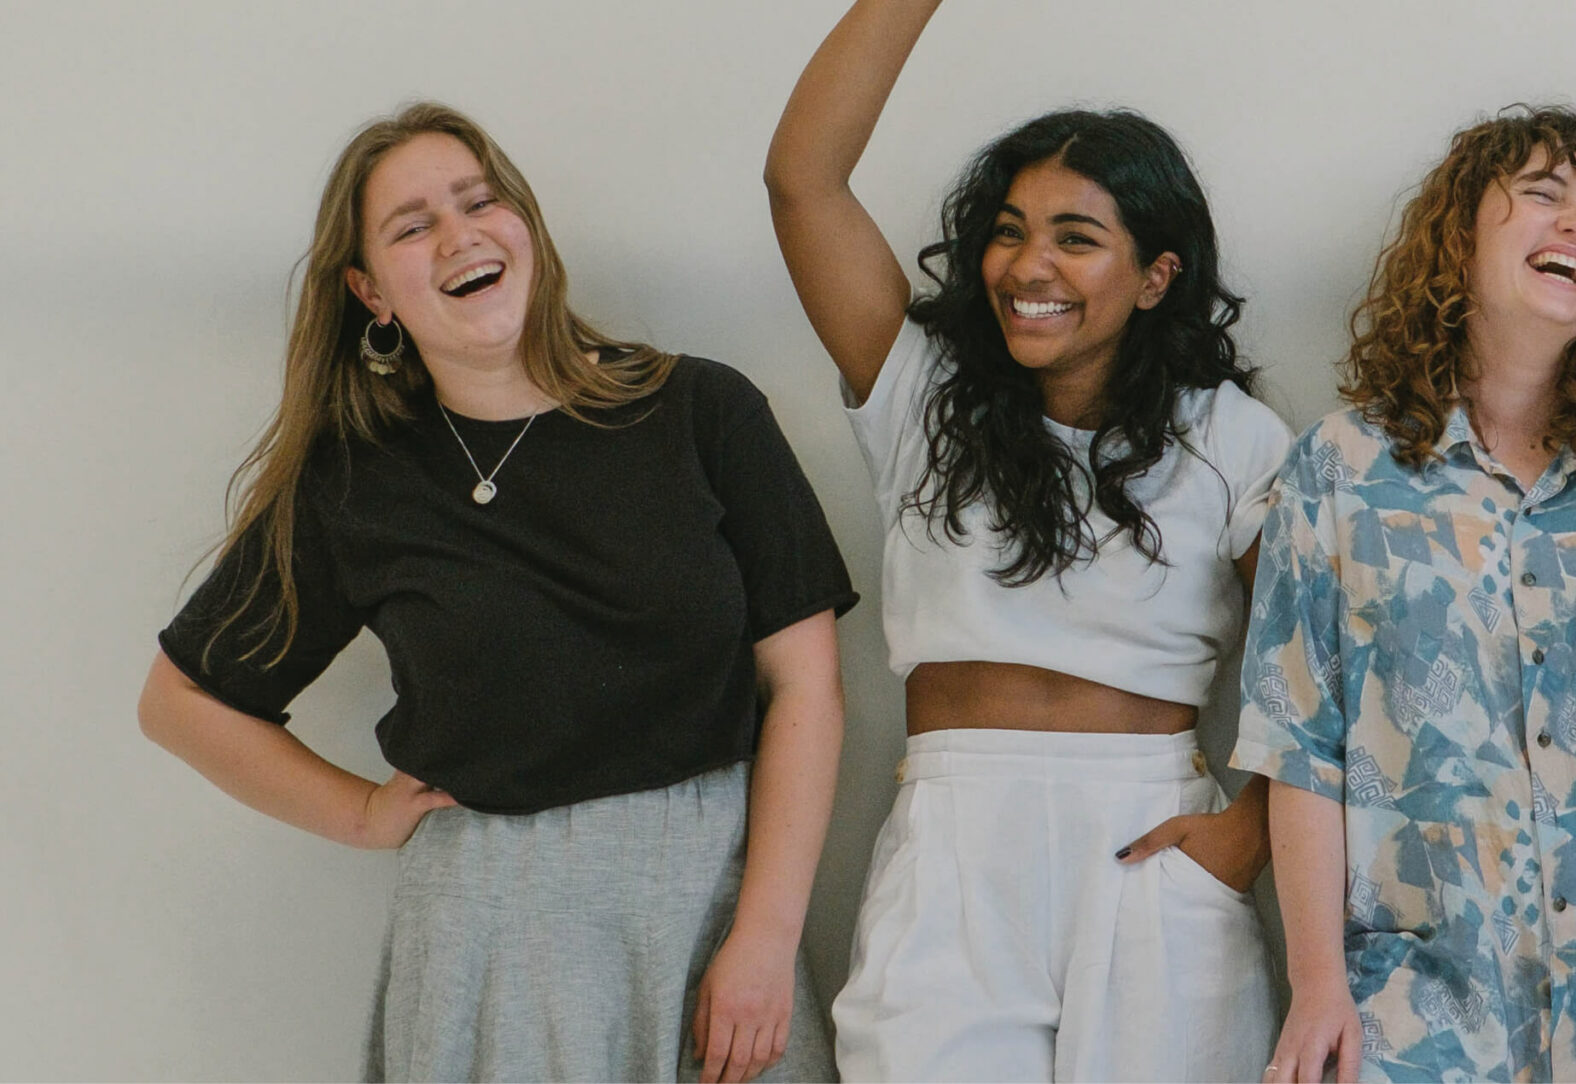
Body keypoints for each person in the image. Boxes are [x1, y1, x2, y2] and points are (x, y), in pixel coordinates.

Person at [138, 102, 853, 1083]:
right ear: (369, 289)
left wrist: (766, 939)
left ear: (525, 226)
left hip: (707, 916)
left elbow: (807, 689)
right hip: (486, 940)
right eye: (411, 225)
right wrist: (358, 813)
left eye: (479, 200)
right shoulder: (358, 481)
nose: (458, 233)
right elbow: (180, 702)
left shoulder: (701, 411)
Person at [763, 2, 1285, 1079]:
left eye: (1075, 237)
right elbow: (801, 180)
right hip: (955, 837)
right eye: (1008, 228)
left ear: (1156, 275)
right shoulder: (921, 391)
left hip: (1153, 838)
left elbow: (1327, 654)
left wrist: (1253, 832)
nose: (1027, 263)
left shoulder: (1230, 435)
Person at [1240, 106, 1576, 1083]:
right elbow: (1299, 747)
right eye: (1540, 194)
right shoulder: (1343, 468)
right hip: (1420, 1014)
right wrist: (1317, 985)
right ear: (1457, 240)